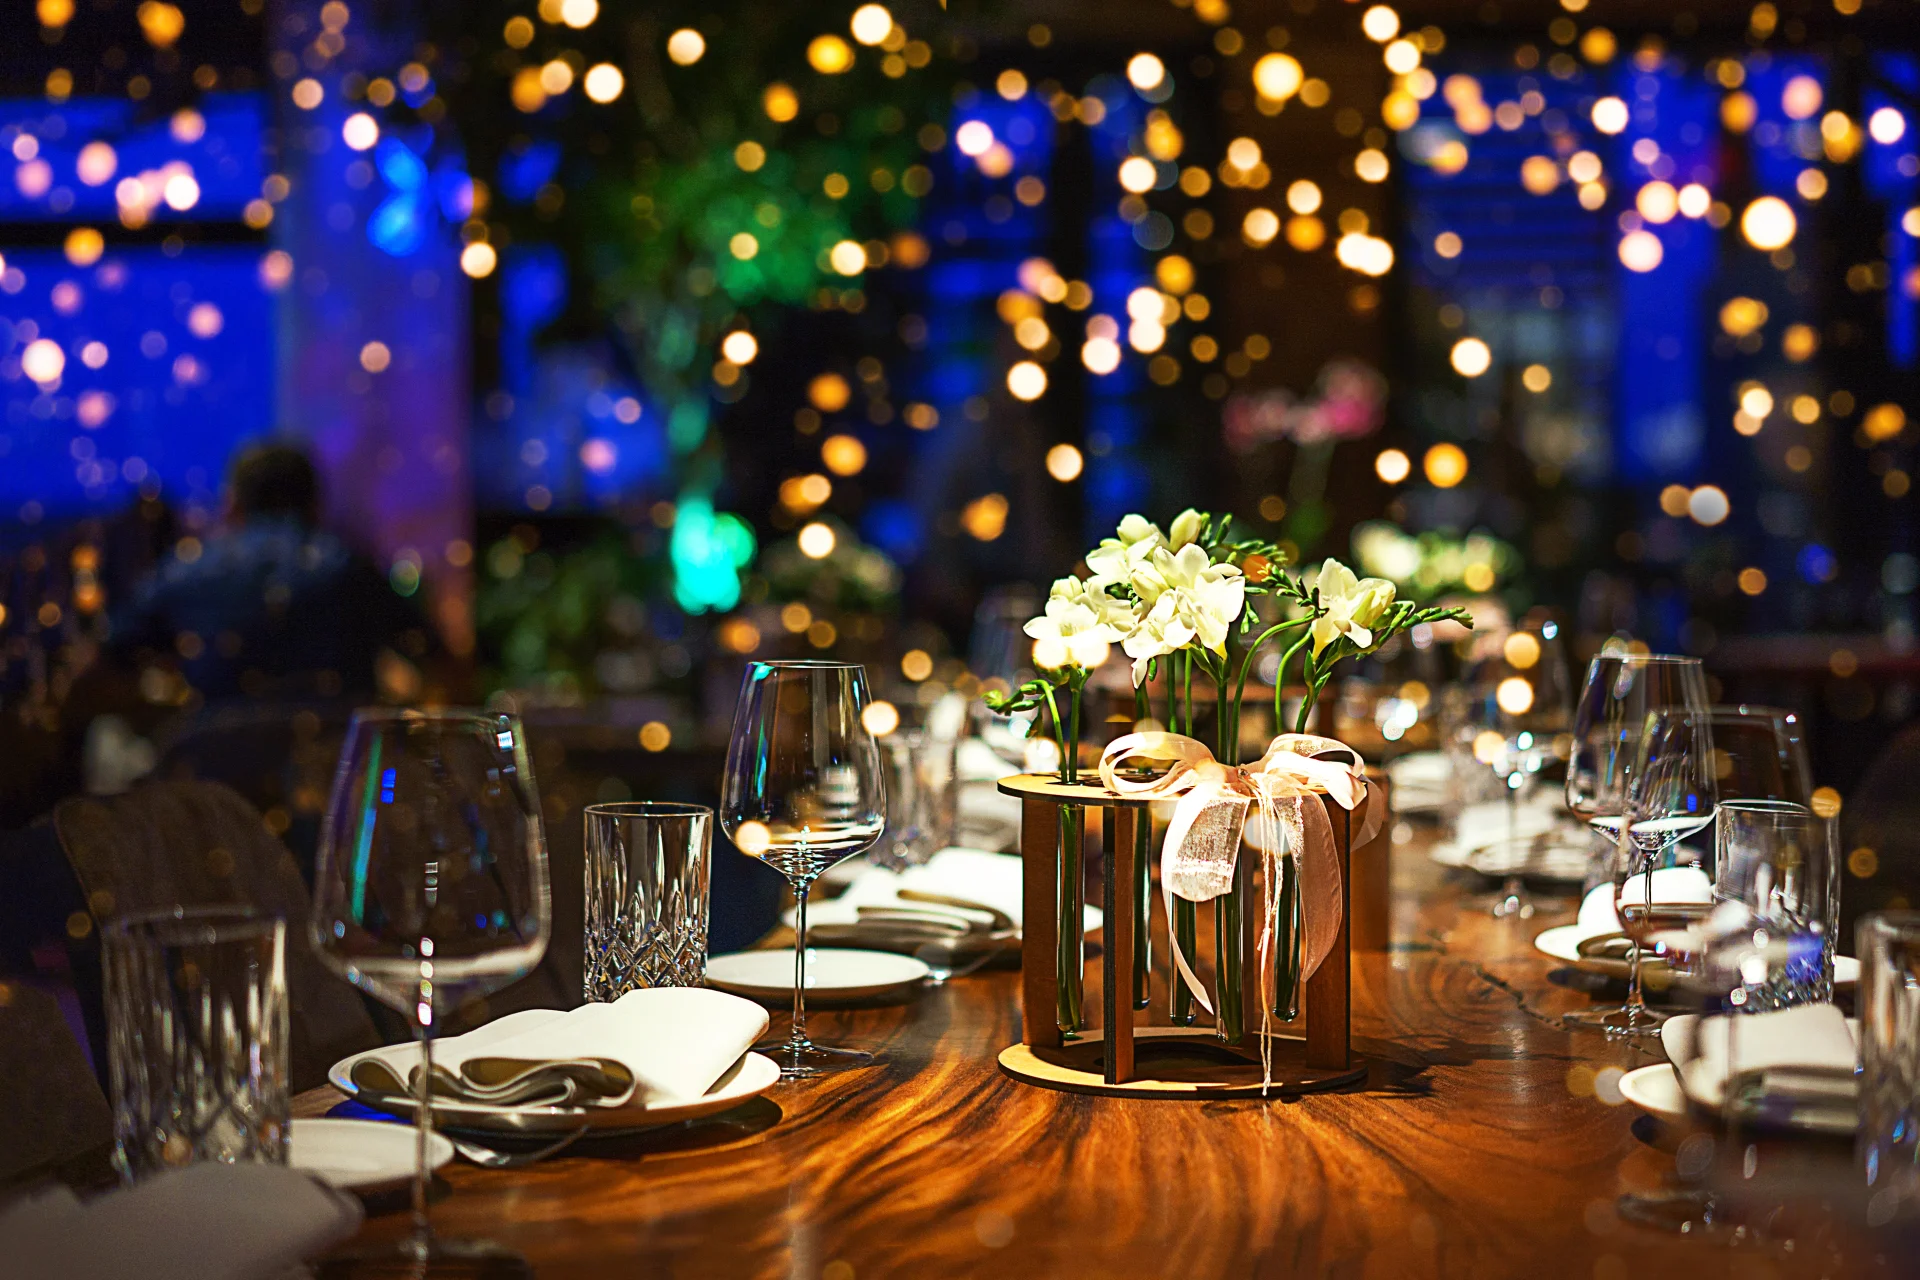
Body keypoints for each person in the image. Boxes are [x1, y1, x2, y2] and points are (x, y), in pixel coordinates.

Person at [107, 441, 428, 704]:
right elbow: (429, 655)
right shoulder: (348, 565)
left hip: (215, 757)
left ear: (232, 504)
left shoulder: (184, 571)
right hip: (334, 756)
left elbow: (110, 657)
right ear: (316, 505)